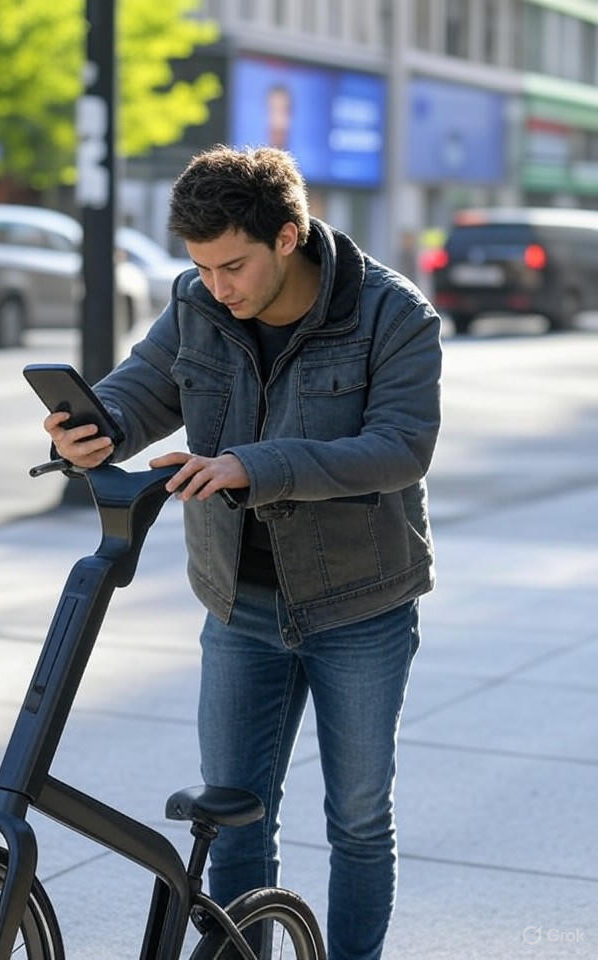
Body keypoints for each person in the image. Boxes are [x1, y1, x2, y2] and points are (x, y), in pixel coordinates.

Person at [44, 145, 442, 960]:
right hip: (238, 603)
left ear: (288, 236)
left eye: (232, 266)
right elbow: (143, 385)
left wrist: (253, 465)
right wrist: (97, 429)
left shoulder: (393, 314)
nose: (215, 286)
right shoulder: (197, 302)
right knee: (232, 820)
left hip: (360, 604)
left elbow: (400, 448)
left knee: (359, 820)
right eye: (201, 266)